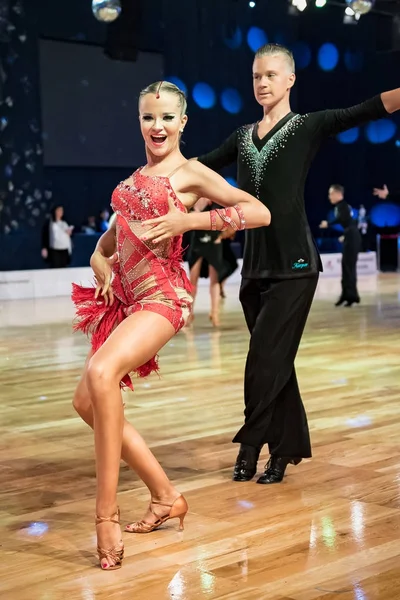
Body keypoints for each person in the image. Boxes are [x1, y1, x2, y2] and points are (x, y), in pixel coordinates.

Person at [71, 81, 271, 571]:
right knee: (86, 402)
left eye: (165, 118)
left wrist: (190, 224)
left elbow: (258, 212)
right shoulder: (136, 179)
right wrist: (101, 264)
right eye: (147, 117)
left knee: (101, 376)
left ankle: (105, 515)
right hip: (127, 301)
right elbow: (107, 243)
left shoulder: (191, 173)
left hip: (164, 298)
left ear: (183, 123)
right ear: (139, 121)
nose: (155, 127)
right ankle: (165, 495)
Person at [196, 43, 400, 486]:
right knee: (277, 363)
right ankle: (285, 450)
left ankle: (251, 446)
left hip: (296, 264)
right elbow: (202, 166)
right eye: (256, 76)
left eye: (271, 75)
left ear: (290, 80)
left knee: (261, 360)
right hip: (255, 267)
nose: (262, 83)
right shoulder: (242, 135)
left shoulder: (309, 125)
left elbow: (365, 110)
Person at [186, 197, 237, 326]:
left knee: (215, 280)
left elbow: (230, 219)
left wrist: (221, 236)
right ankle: (189, 314)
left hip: (213, 243)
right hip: (197, 243)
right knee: (193, 280)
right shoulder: (190, 203)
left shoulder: (216, 205)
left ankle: (214, 313)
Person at [319, 184, 362, 307]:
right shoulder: (342, 206)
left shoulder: (342, 206)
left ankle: (351, 296)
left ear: (338, 194)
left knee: (349, 267)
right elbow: (350, 222)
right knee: (346, 266)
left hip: (352, 238)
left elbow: (342, 219)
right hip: (351, 236)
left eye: (331, 194)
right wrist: (346, 234)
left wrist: (328, 223)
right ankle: (347, 295)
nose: (329, 197)